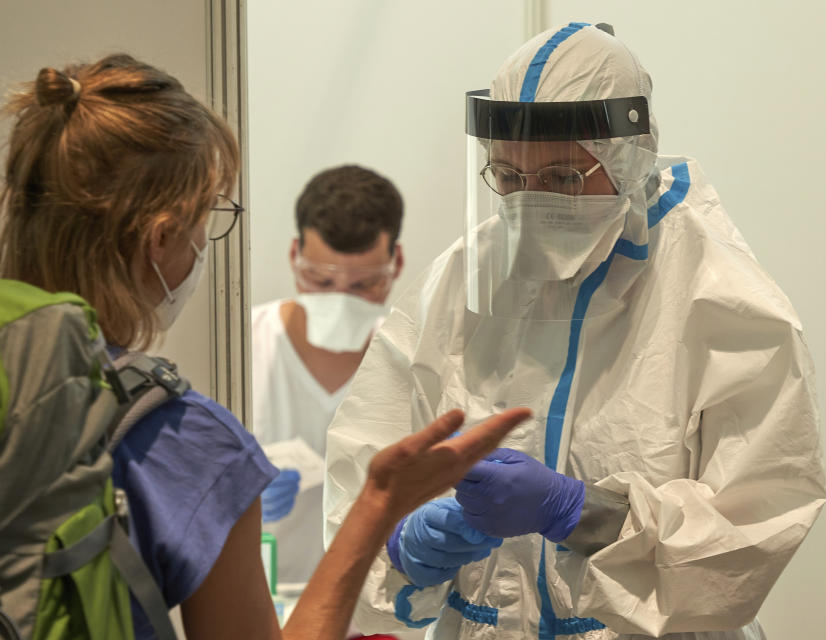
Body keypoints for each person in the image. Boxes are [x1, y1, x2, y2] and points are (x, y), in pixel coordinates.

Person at [0, 53, 530, 640]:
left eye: (362, 283)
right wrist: (379, 503)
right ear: (162, 238)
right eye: (209, 217)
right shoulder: (181, 440)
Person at [324, 22, 826, 639]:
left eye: (564, 178)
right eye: (509, 178)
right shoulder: (461, 280)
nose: (531, 202)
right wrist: (401, 537)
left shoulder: (718, 297)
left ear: (626, 157)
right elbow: (367, 457)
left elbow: (758, 524)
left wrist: (583, 513)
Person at [252, 165, 404, 585]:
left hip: (372, 614)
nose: (339, 302)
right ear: (293, 257)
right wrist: (232, 501)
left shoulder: (410, 363)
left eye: (363, 286)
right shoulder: (241, 351)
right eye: (320, 280)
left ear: (397, 264)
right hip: (263, 609)